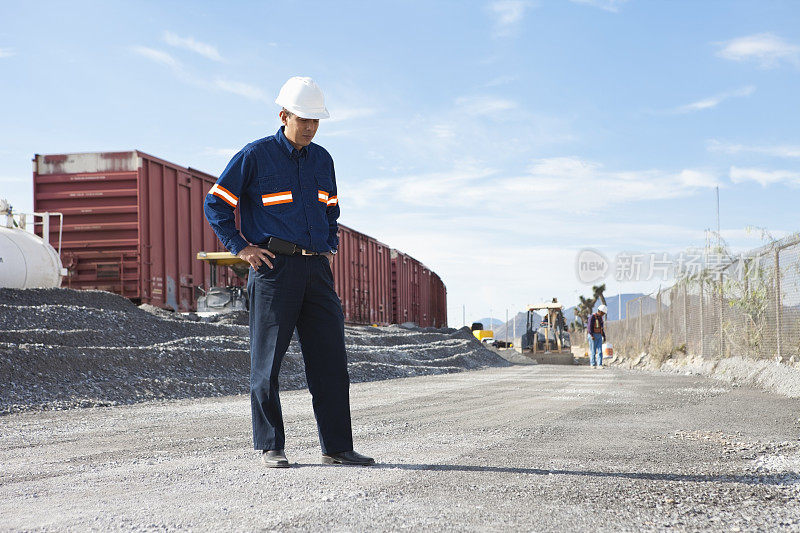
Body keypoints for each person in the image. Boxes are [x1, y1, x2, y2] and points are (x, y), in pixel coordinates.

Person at [203, 76, 374, 468]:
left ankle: (336, 447)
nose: (311, 127)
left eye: (316, 121)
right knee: (267, 363)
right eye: (304, 120)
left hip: (316, 270)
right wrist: (242, 247)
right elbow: (216, 204)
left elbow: (332, 209)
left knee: (330, 361)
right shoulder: (255, 156)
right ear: (283, 116)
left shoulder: (323, 160)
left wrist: (329, 246)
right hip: (274, 270)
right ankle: (270, 445)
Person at [587, 304, 607, 368]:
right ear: (600, 311)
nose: (603, 315)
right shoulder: (592, 317)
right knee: (593, 351)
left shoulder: (600, 318)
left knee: (600, 351)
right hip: (592, 335)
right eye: (603, 313)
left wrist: (604, 336)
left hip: (599, 335)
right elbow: (589, 327)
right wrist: (591, 335)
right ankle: (592, 364)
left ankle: (599, 364)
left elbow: (601, 328)